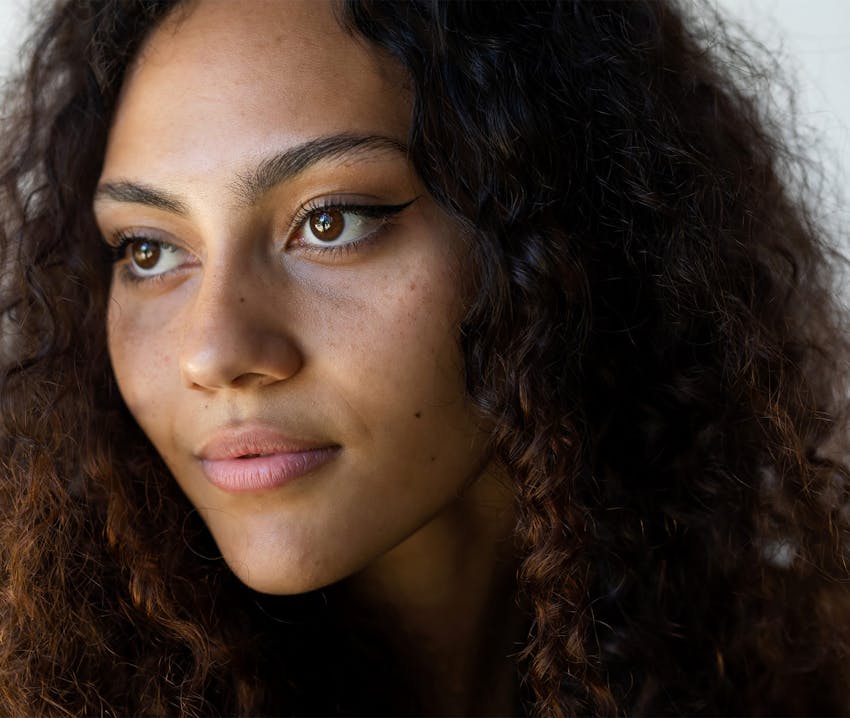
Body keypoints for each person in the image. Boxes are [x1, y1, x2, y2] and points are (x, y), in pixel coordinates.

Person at [1, 0, 849, 715]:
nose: (216, 351)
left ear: (566, 235)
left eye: (331, 221)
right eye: (148, 249)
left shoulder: (798, 672)